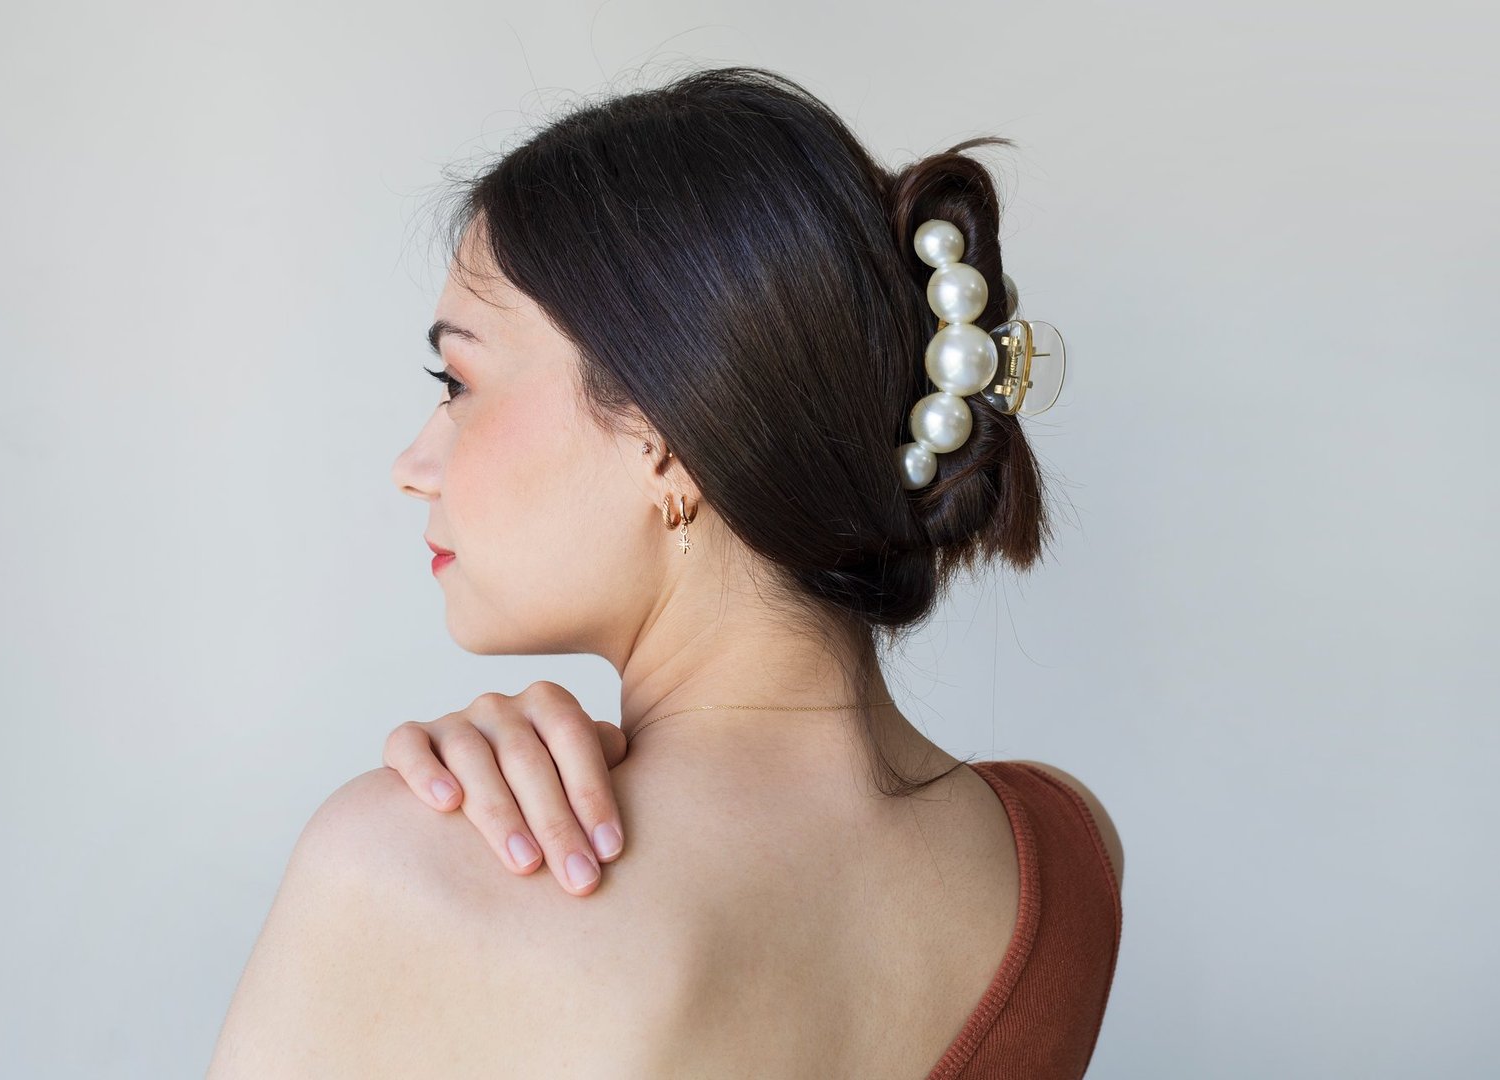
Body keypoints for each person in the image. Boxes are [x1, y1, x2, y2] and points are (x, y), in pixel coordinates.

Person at [208, 64, 1123, 1078]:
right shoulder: (1065, 851)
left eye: (456, 382)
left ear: (662, 437)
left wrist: (426, 833)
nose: (413, 465)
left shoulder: (405, 873)